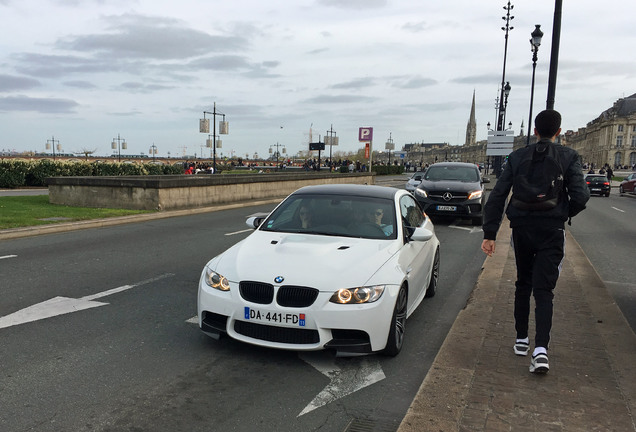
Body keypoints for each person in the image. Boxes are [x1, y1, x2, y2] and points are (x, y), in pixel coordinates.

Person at [481, 109, 590, 374]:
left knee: (523, 282)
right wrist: (563, 212)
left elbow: (498, 195)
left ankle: (521, 339)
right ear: (559, 132)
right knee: (544, 290)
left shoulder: (517, 157)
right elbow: (581, 196)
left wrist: (490, 233)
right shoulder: (568, 156)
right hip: (551, 229)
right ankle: (540, 350)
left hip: (522, 228)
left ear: (535, 131)